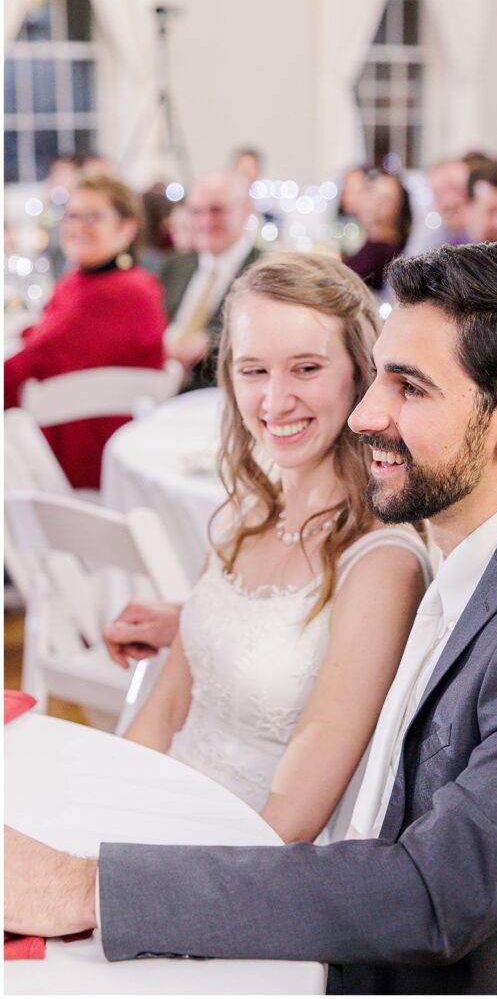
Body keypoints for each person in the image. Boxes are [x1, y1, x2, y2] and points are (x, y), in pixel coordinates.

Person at [6, 244, 497, 997]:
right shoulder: (477, 545)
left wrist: (85, 890)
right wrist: (199, 624)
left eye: (409, 388)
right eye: (376, 376)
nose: (363, 415)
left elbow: (435, 895)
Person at [109, 251, 430, 843]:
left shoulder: (383, 564)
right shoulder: (244, 514)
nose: (275, 402)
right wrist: (98, 821)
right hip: (152, 817)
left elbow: (289, 825)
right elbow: (165, 711)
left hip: (241, 869)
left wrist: (118, 887)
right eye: (254, 371)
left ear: (361, 373)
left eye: (305, 369)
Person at [4, 173, 166, 489]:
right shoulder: (80, 280)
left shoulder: (124, 292)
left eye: (92, 217)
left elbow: (40, 355)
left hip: (92, 457)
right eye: (72, 216)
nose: (77, 227)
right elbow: (46, 339)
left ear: (126, 227)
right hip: (67, 440)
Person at [161, 172, 259, 390]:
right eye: (196, 212)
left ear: (245, 210)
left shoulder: (264, 271)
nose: (206, 221)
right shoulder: (176, 265)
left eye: (217, 210)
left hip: (217, 390)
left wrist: (210, 343)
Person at [344, 173, 412, 291]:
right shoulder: (372, 242)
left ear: (399, 208)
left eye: (385, 199)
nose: (374, 204)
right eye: (372, 194)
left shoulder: (384, 251)